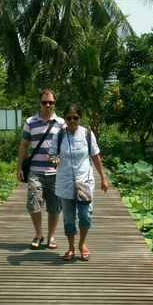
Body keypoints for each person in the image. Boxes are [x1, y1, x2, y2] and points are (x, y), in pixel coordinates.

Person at [48, 104, 109, 261]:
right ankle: (70, 247)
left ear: (80, 118)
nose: (72, 121)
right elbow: (52, 155)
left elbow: (95, 156)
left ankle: (82, 243)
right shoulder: (59, 135)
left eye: (75, 118)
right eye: (69, 118)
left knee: (85, 215)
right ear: (65, 119)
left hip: (84, 182)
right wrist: (55, 159)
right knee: (68, 218)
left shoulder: (87, 134)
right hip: (65, 182)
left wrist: (103, 177)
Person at [17, 89, 65, 250]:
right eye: (45, 102)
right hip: (35, 171)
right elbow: (24, 145)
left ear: (55, 103)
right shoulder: (30, 122)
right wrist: (19, 168)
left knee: (55, 206)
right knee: (33, 203)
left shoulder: (61, 123)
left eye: (51, 102)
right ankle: (39, 234)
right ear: (40, 103)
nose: (48, 105)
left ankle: (51, 236)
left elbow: (66, 146)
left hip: (55, 172)